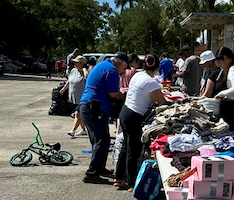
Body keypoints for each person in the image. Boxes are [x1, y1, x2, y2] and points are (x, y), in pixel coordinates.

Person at [114, 54, 167, 191]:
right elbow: (162, 102)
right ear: (156, 67)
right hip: (134, 117)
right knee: (134, 150)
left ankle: (118, 178)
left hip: (125, 112)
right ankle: (132, 184)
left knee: (126, 147)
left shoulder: (137, 75)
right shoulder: (151, 82)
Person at [79, 51, 129, 184]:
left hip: (88, 105)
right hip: (94, 107)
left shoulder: (101, 66)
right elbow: (113, 94)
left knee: (101, 140)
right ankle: (92, 173)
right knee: (101, 140)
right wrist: (125, 96)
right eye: (124, 68)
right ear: (120, 63)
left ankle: (99, 168)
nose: (123, 71)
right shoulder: (111, 70)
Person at [214, 46, 234, 132]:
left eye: (220, 62)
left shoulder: (233, 69)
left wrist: (221, 94)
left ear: (225, 58)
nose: (220, 65)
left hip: (231, 111)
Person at [60, 55, 89, 137]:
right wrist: (64, 89)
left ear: (81, 63)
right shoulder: (73, 70)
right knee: (80, 116)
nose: (74, 64)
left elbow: (87, 77)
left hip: (82, 98)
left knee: (77, 114)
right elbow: (69, 81)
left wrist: (84, 69)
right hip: (74, 98)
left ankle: (73, 130)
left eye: (76, 62)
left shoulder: (84, 72)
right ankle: (83, 130)